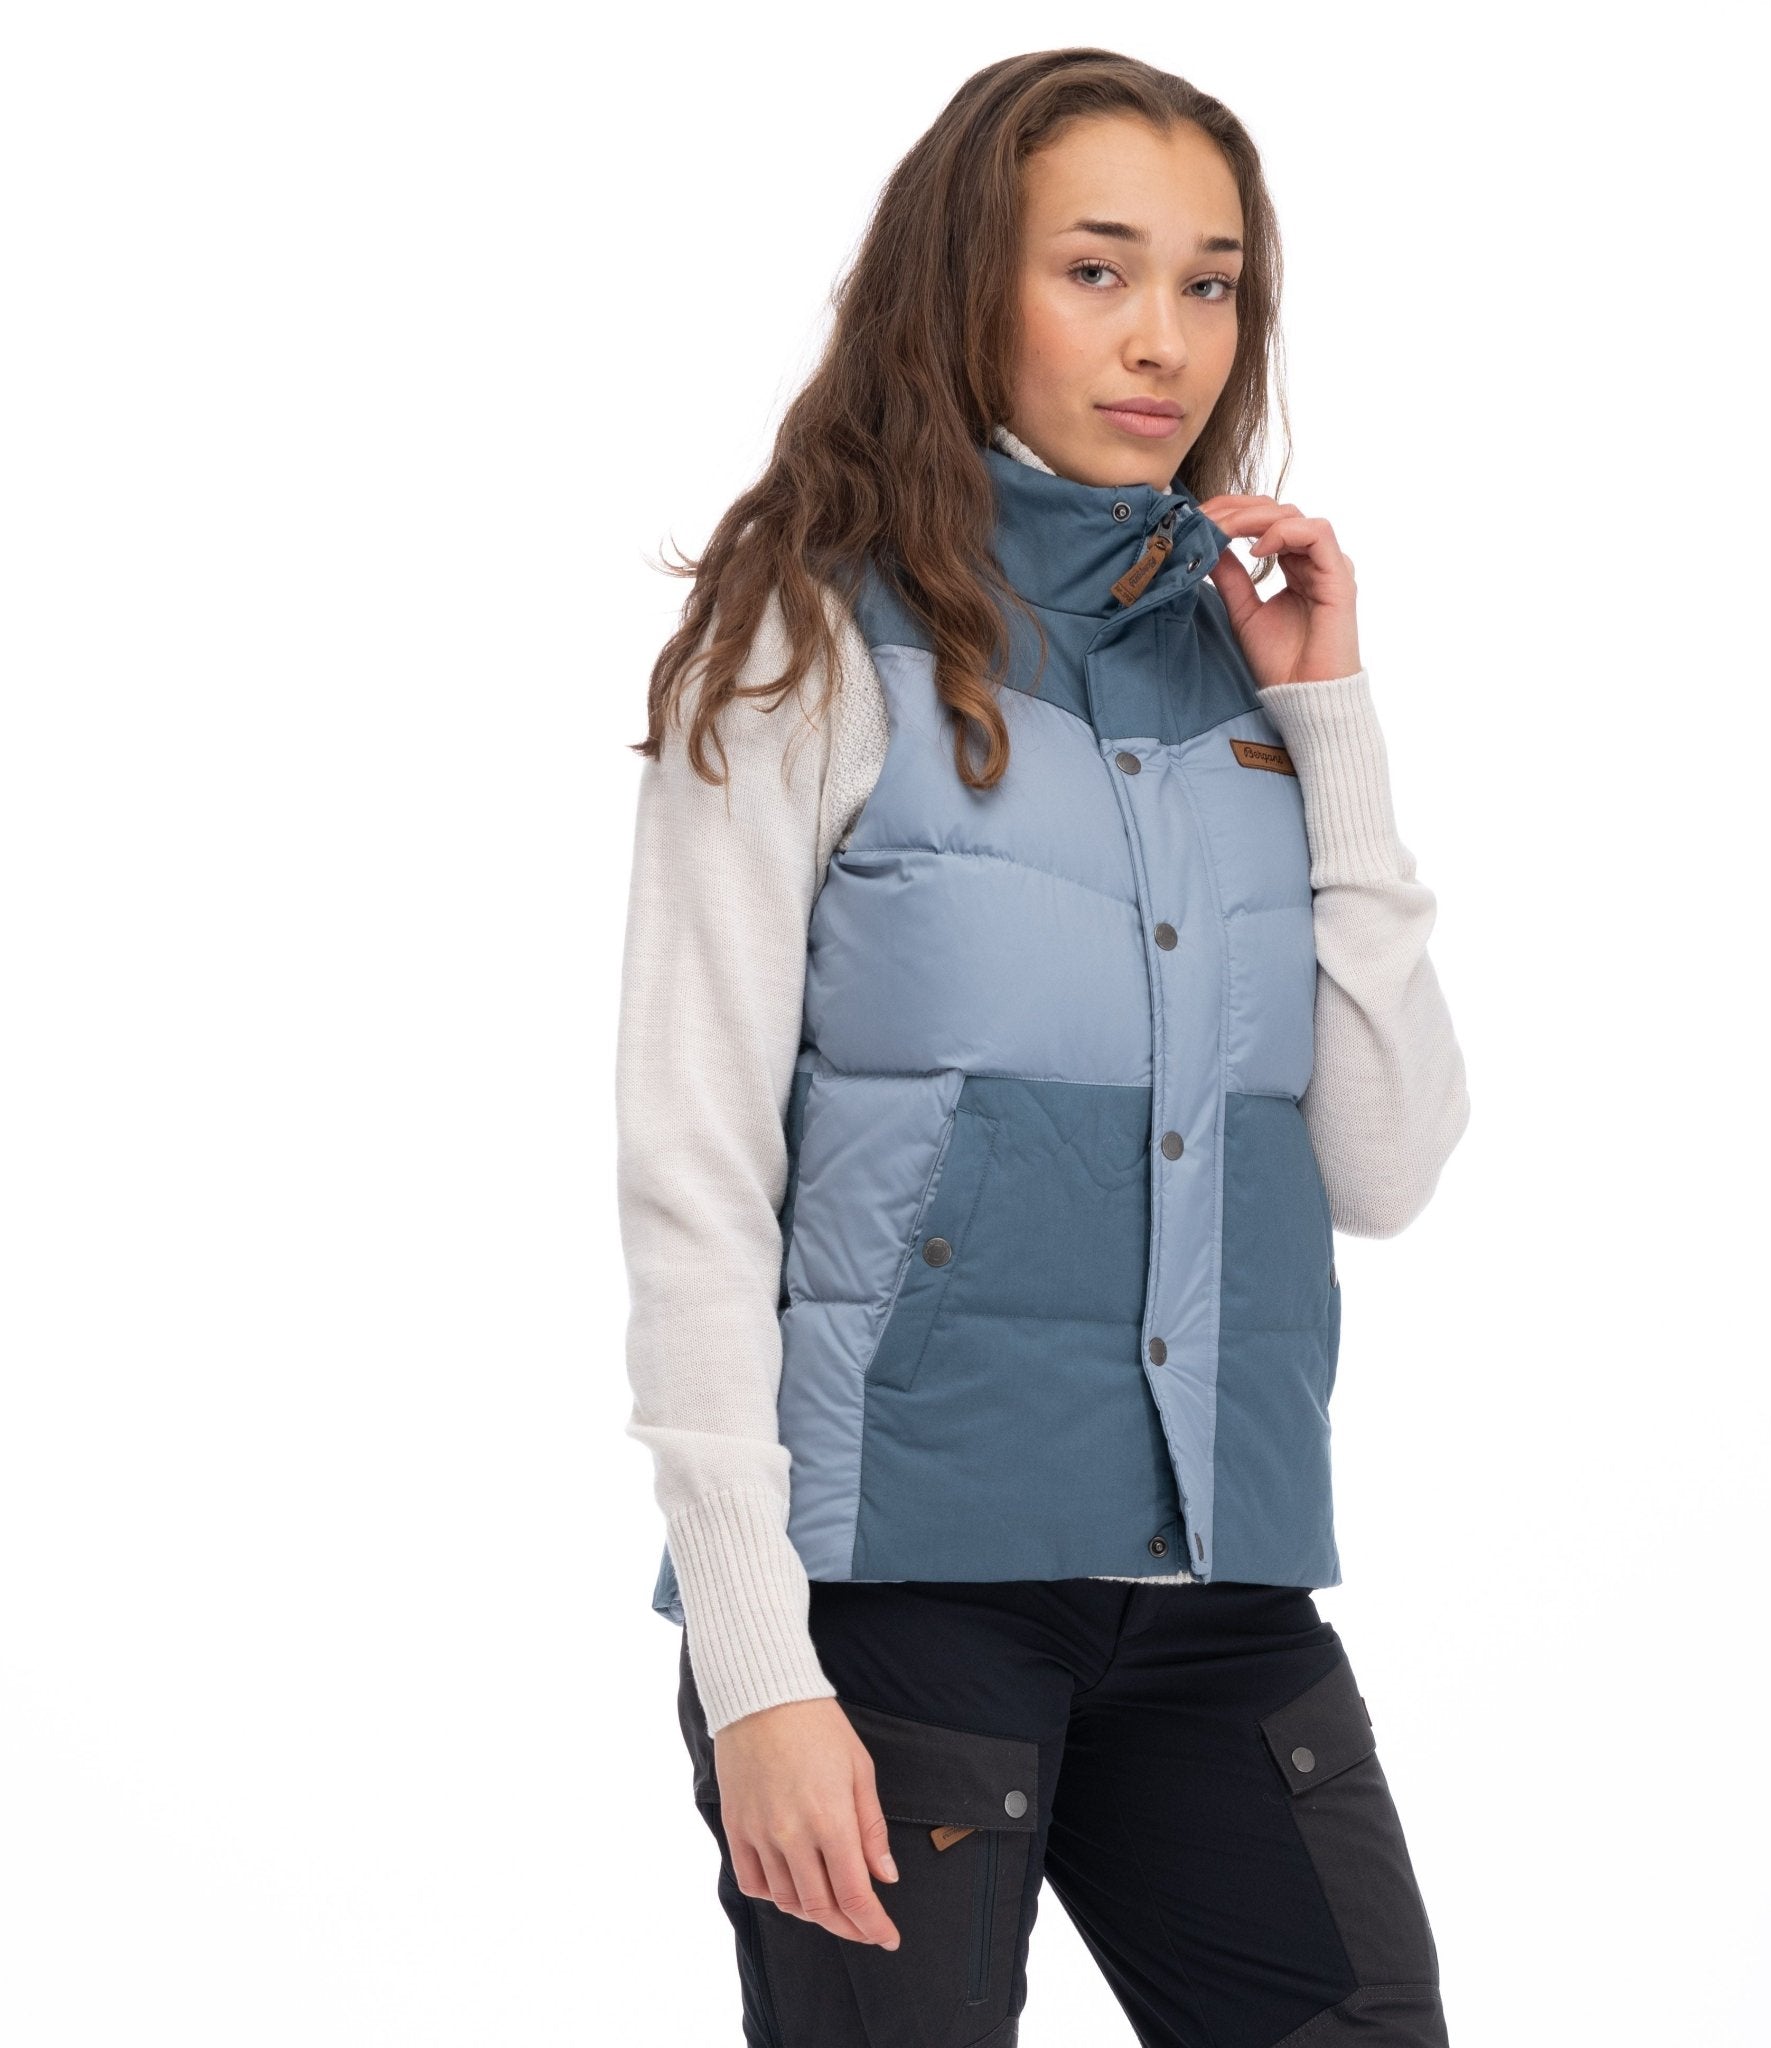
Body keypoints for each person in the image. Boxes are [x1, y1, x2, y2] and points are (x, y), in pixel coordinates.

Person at [615, 46, 1471, 2048]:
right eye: (1096, 269)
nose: (1164, 336)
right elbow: (692, 1170)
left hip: (1215, 1594)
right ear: (966, 286)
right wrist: (756, 1668)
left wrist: (1332, 721)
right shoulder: (806, 636)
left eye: (1210, 281)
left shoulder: (1240, 665)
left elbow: (1384, 1164)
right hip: (897, 1603)